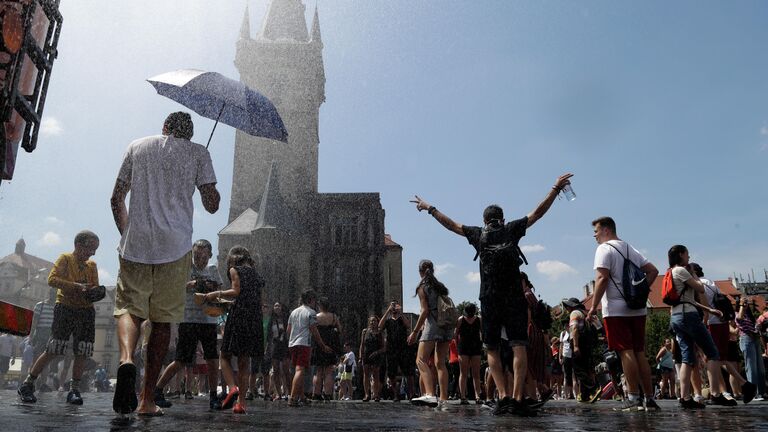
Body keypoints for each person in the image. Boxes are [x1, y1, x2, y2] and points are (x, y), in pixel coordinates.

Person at [411, 173, 572, 416]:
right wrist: (555, 189)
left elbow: (452, 224)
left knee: (493, 350)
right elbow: (537, 213)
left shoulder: (478, 234)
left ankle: (503, 397)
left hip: (489, 298)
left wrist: (430, 208)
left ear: (485, 221)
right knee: (519, 347)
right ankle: (518, 397)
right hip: (514, 299)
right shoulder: (512, 229)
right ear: (502, 218)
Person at [110, 111, 220, 416]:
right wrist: (206, 183)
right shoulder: (200, 153)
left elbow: (116, 198)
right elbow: (212, 206)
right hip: (175, 247)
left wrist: (127, 233)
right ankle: (146, 400)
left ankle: (127, 360)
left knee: (130, 310)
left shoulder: (138, 145)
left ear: (165, 127)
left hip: (137, 243)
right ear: (191, 133)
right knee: (161, 322)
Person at [17, 231, 100, 406]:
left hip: (86, 311)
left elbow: (94, 287)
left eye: (95, 249)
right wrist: (76, 286)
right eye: (90, 248)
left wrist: (96, 292)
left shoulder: (92, 265)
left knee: (82, 351)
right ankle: (28, 384)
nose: (93, 253)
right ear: (79, 245)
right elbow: (52, 279)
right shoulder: (65, 259)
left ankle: (74, 390)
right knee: (54, 348)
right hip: (65, 308)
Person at [587, 216, 660, 411]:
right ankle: (649, 398)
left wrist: (593, 306)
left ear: (606, 230)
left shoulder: (603, 249)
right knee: (639, 352)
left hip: (615, 309)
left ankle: (633, 397)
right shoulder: (629, 248)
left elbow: (602, 278)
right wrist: (641, 291)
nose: (594, 236)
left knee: (625, 351)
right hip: (637, 307)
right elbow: (653, 271)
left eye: (596, 231)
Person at [153, 239, 224, 410]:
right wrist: (192, 284)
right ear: (192, 254)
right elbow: (176, 287)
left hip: (208, 320)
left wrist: (210, 289)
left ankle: (214, 397)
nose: (200, 259)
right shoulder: (185, 268)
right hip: (188, 319)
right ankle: (157, 391)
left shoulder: (213, 269)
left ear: (210, 255)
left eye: (204, 256)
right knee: (181, 360)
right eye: (197, 255)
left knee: (213, 360)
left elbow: (219, 292)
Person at [666, 245, 737, 409]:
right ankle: (716, 393)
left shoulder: (670, 272)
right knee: (712, 352)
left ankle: (684, 397)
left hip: (677, 316)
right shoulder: (681, 271)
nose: (689, 257)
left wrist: (708, 309)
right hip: (689, 316)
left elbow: (687, 299)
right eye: (687, 254)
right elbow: (700, 288)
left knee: (687, 357)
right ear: (681, 255)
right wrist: (694, 274)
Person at [202, 246, 264, 414]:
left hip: (238, 317)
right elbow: (257, 300)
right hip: (254, 318)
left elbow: (236, 291)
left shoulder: (235, 270)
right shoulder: (256, 275)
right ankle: (241, 403)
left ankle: (232, 388)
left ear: (234, 259)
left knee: (224, 356)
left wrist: (216, 294)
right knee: (244, 361)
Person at [692, 263, 756, 403]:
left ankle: (718, 393)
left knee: (712, 358)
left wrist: (704, 320)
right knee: (721, 359)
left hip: (711, 323)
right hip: (722, 323)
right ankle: (744, 385)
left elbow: (703, 305)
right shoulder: (711, 282)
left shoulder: (696, 285)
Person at [407, 260, 453, 408]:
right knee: (440, 364)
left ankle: (429, 394)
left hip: (433, 324)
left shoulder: (422, 287)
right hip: (446, 325)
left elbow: (425, 311)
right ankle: (443, 399)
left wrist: (414, 332)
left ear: (420, 272)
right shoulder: (440, 286)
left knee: (420, 360)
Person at [287, 289, 332, 407]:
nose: (315, 304)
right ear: (310, 300)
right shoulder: (311, 313)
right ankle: (292, 397)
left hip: (292, 344)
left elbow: (288, 330)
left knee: (301, 370)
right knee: (300, 370)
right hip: (304, 344)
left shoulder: (294, 312)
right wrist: (322, 345)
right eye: (314, 301)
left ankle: (301, 396)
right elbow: (314, 330)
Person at [562, 297, 600, 403]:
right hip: (588, 344)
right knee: (585, 368)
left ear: (570, 306)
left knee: (578, 370)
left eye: (567, 307)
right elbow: (599, 327)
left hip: (579, 342)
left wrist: (575, 345)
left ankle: (594, 388)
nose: (566, 309)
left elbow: (574, 329)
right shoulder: (586, 313)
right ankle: (585, 396)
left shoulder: (574, 313)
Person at [379, 300, 413, 401]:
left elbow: (408, 325)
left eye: (395, 305)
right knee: (391, 373)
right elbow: (380, 326)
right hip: (391, 349)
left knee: (408, 372)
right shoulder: (388, 320)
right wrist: (387, 312)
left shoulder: (402, 318)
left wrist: (400, 312)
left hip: (403, 348)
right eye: (392, 305)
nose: (394, 307)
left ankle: (411, 393)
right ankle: (395, 394)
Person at [311, 298, 342, 401]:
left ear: (320, 306)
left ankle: (317, 393)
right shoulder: (334, 317)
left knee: (318, 370)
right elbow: (340, 330)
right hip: (331, 344)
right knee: (329, 370)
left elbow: (312, 330)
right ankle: (328, 394)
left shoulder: (316, 317)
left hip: (319, 344)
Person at [737, 295, 766, 400]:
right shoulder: (739, 314)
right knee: (751, 368)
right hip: (746, 340)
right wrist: (741, 305)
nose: (747, 305)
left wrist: (757, 327)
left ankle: (762, 392)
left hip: (755, 340)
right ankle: (753, 393)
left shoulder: (749, 316)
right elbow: (739, 319)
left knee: (760, 368)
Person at [456, 303, 483, 404]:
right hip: (466, 348)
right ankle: (465, 396)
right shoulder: (461, 319)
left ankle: (474, 396)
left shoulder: (478, 319)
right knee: (467, 373)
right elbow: (456, 333)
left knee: (471, 373)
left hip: (471, 347)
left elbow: (456, 334)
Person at [267, 302, 290, 400]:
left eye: (279, 305)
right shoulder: (271, 320)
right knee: (275, 370)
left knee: (285, 370)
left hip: (285, 345)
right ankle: (278, 393)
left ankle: (287, 392)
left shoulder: (286, 318)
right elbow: (269, 335)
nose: (277, 307)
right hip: (275, 346)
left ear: (282, 307)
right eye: (275, 305)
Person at [360, 315, 385, 402]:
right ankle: (367, 394)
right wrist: (360, 356)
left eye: (374, 321)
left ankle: (376, 394)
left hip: (376, 355)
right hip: (366, 355)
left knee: (376, 375)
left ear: (377, 322)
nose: (372, 322)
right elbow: (362, 345)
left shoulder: (380, 332)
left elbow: (384, 347)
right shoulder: (365, 331)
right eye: (371, 321)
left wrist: (376, 352)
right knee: (366, 375)